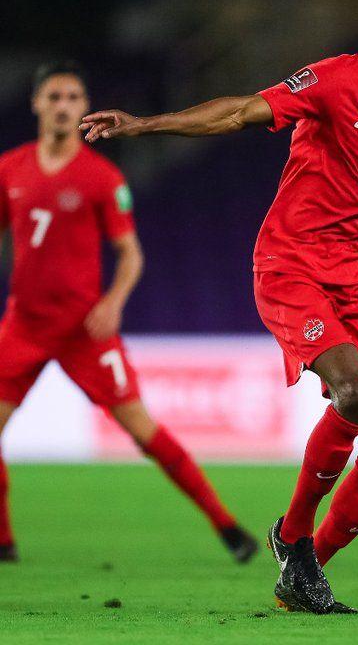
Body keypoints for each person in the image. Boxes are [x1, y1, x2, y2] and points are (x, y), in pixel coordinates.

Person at [80, 0, 358, 614]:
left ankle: (301, 572)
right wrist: (147, 124)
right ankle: (294, 539)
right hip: (290, 266)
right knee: (357, 394)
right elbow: (240, 112)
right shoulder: (337, 80)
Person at [0, 61, 258, 564]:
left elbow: (131, 253)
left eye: (73, 98)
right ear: (36, 103)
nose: (62, 106)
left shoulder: (101, 177)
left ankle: (226, 526)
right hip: (24, 326)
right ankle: (4, 542)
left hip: (84, 331)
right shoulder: (10, 169)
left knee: (144, 432)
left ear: (82, 107)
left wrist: (112, 302)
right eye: (53, 96)